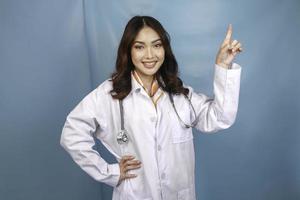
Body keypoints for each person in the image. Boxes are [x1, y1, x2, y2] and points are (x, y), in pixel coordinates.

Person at [60, 15, 242, 200]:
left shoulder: (179, 93)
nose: (149, 55)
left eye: (156, 45)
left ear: (165, 49)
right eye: (139, 47)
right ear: (128, 51)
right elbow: (72, 134)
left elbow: (220, 117)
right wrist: (110, 172)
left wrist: (223, 66)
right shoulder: (109, 93)